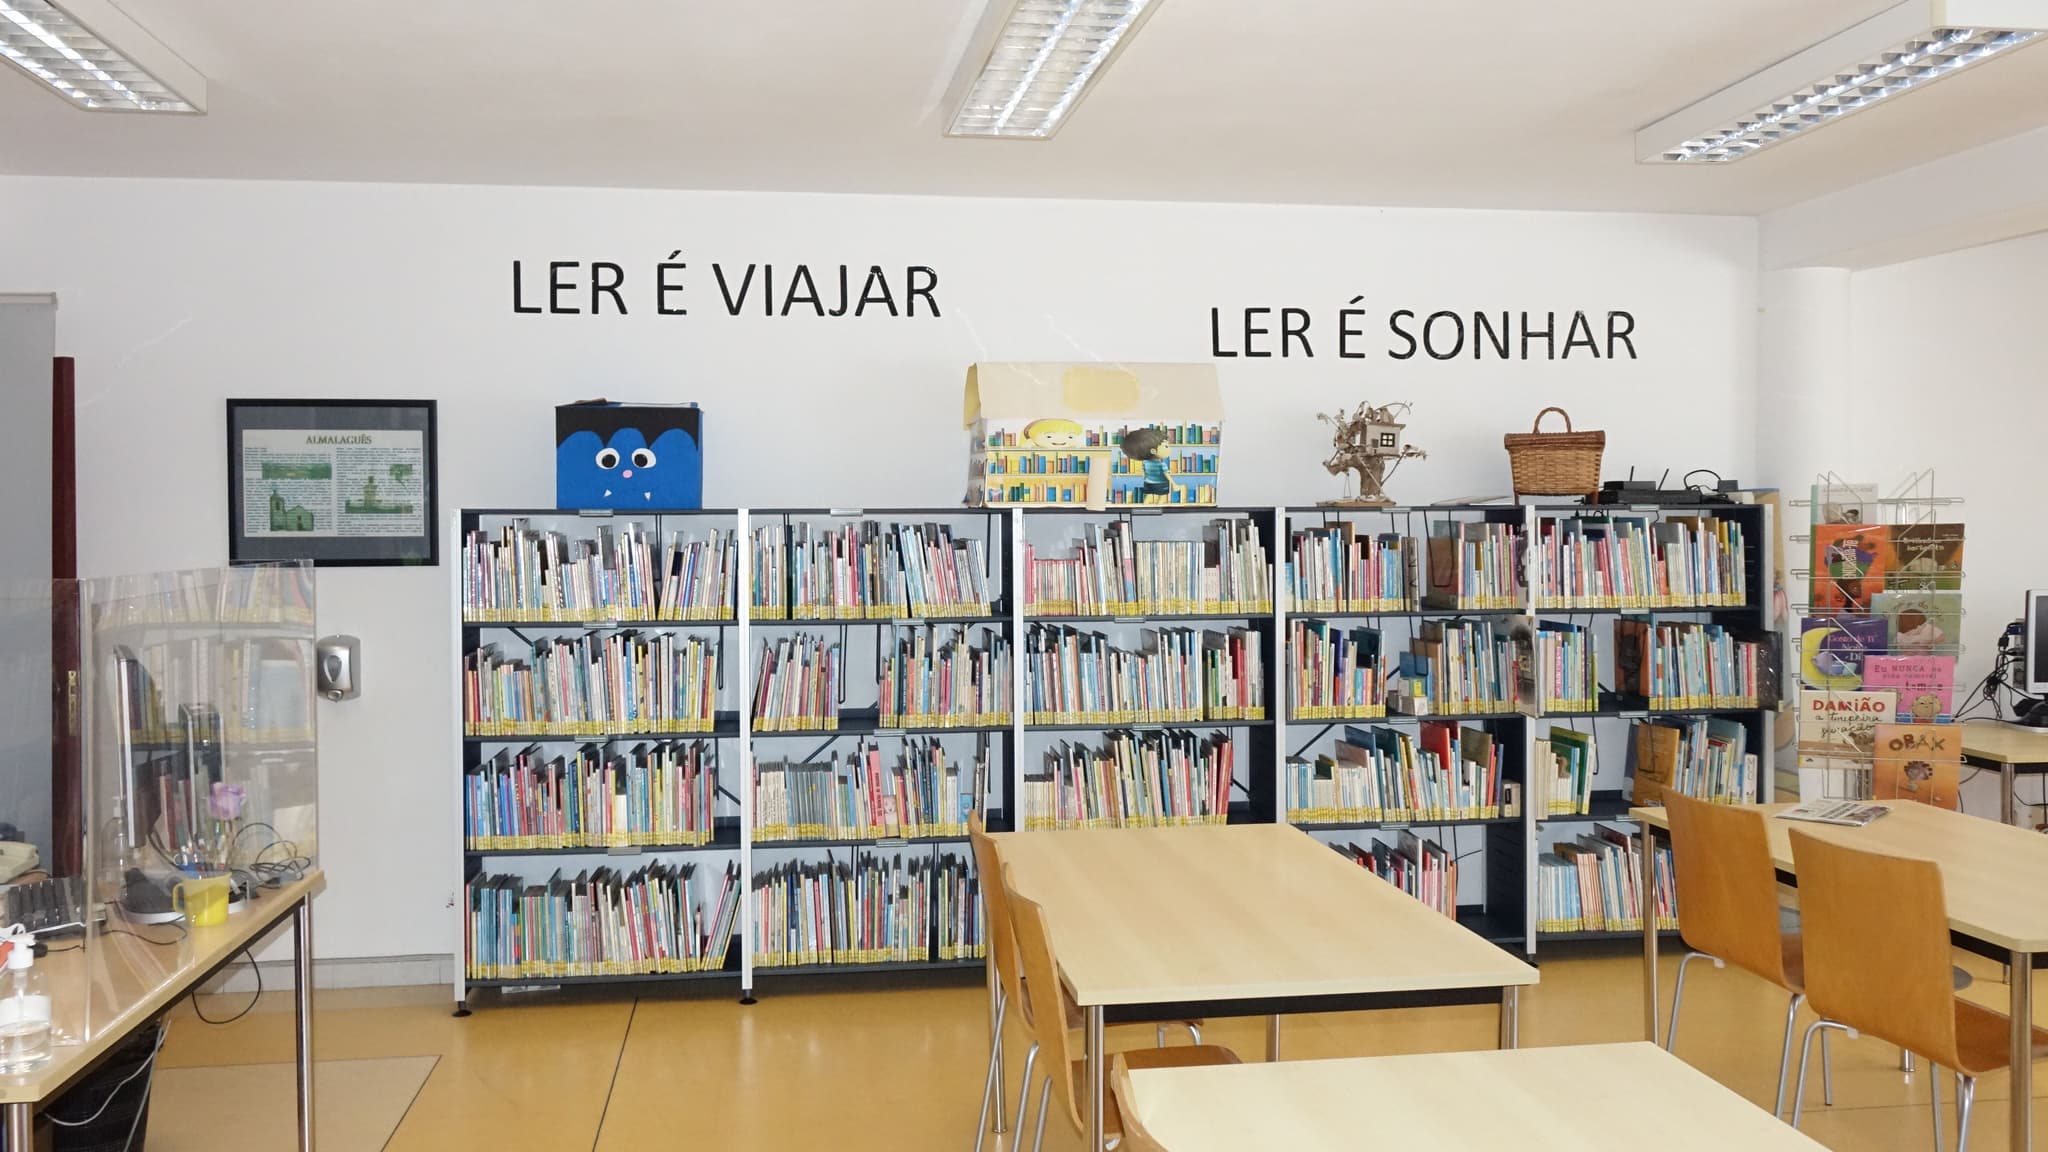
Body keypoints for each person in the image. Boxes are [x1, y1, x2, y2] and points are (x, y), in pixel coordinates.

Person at [1119, 426, 1175, 501]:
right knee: (1161, 500)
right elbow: (1167, 475)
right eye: (1166, 446)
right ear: (1153, 451)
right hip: (1161, 485)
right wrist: (1174, 484)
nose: (1170, 449)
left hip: (1148, 484)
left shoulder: (1145, 463)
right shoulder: (1161, 464)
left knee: (1148, 499)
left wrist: (1145, 479)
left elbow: (1144, 473)